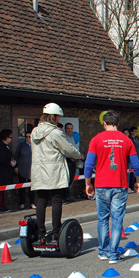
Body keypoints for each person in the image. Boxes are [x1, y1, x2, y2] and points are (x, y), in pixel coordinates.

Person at [84, 110, 139, 264]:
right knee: (117, 220)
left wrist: (87, 183)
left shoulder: (96, 139)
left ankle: (103, 251)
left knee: (102, 218)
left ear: (104, 123)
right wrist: (138, 181)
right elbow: (136, 164)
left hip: (101, 184)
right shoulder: (126, 140)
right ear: (118, 123)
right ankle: (113, 254)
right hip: (120, 184)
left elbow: (89, 164)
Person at [31, 103, 82, 243]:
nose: (59, 120)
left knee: (41, 201)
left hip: (38, 170)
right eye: (58, 117)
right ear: (53, 117)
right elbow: (68, 149)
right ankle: (56, 232)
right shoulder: (55, 132)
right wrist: (78, 155)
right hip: (53, 170)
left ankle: (40, 233)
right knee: (56, 200)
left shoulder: (35, 131)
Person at [15, 131, 35, 209]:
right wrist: (16, 166)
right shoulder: (21, 146)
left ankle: (32, 202)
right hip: (23, 168)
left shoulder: (35, 146)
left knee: (32, 188)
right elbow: (16, 156)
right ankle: (22, 202)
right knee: (22, 187)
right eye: (26, 137)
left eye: (29, 137)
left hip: (32, 169)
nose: (28, 138)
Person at [63, 122, 78, 202]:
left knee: (71, 178)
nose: (70, 130)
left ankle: (68, 195)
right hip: (67, 160)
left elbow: (73, 149)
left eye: (71, 128)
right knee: (66, 179)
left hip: (73, 161)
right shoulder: (64, 137)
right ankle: (65, 197)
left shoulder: (72, 137)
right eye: (68, 128)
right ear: (65, 129)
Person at [128, 126, 139, 192]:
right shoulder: (130, 140)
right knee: (129, 173)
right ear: (131, 132)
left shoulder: (137, 139)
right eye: (135, 131)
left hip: (137, 157)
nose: (136, 133)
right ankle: (128, 187)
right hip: (130, 158)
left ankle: (134, 185)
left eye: (137, 131)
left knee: (134, 173)